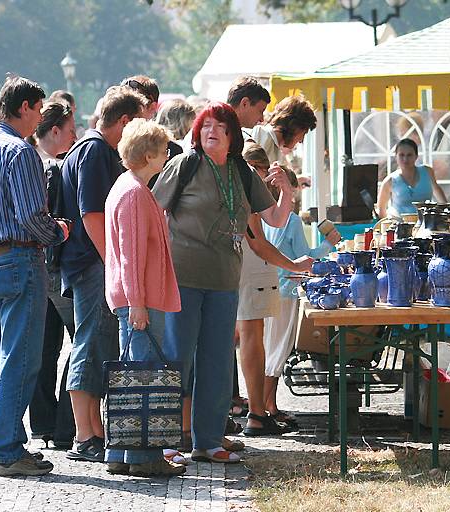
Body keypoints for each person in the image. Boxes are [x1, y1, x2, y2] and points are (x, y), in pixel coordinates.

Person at [151, 102, 294, 463]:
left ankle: (209, 441)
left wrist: (286, 192)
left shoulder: (242, 172)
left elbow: (274, 220)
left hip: (225, 280)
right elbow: (154, 212)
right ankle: (166, 443)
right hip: (182, 279)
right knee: (176, 360)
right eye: (205, 125)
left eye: (219, 126)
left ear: (232, 136)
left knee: (216, 361)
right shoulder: (184, 165)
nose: (210, 130)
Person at [0, 75, 70, 477]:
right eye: (38, 110)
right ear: (24, 108)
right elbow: (32, 217)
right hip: (21, 259)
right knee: (21, 360)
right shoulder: (19, 153)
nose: (39, 118)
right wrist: (58, 230)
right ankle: (6, 450)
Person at [60, 86, 149, 463]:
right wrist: (115, 262)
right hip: (93, 264)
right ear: (125, 121)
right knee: (89, 342)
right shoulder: (96, 150)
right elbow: (91, 215)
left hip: (83, 263)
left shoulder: (82, 148)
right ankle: (84, 434)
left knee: (94, 344)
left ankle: (93, 430)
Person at [103, 118, 186, 477]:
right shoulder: (136, 192)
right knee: (145, 378)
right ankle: (143, 457)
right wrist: (138, 301)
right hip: (142, 297)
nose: (167, 155)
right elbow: (131, 253)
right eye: (164, 150)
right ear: (148, 153)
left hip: (135, 296)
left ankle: (122, 454)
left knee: (131, 378)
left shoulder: (126, 187)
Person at [236, 147, 314, 437]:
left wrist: (286, 192)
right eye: (258, 168)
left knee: (257, 344)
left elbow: (277, 220)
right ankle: (257, 414)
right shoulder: (241, 189)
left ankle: (259, 411)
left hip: (258, 275)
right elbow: (259, 243)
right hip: (248, 274)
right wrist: (294, 264)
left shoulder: (251, 192)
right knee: (254, 344)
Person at [262, 168, 341, 420]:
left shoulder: (262, 217)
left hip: (266, 287)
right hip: (286, 289)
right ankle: (268, 406)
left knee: (268, 347)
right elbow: (306, 257)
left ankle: (264, 404)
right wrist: (330, 243)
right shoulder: (291, 220)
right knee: (279, 349)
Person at [27, 101, 78, 450]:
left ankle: (43, 422)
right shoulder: (58, 168)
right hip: (59, 267)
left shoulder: (29, 163)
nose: (76, 135)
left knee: (43, 349)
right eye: (71, 128)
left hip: (35, 266)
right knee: (84, 339)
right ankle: (66, 425)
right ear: (55, 131)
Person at [377, 138, 448, 218]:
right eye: (401, 155)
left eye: (409, 155)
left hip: (426, 223)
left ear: (416, 156)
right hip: (400, 225)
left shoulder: (427, 171)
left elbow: (439, 196)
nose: (405, 159)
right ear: (396, 156)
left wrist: (446, 213)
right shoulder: (390, 181)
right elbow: (381, 210)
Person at [250, 95, 316, 165]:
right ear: (296, 127)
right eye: (304, 133)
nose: (301, 140)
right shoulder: (261, 134)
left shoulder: (278, 153)